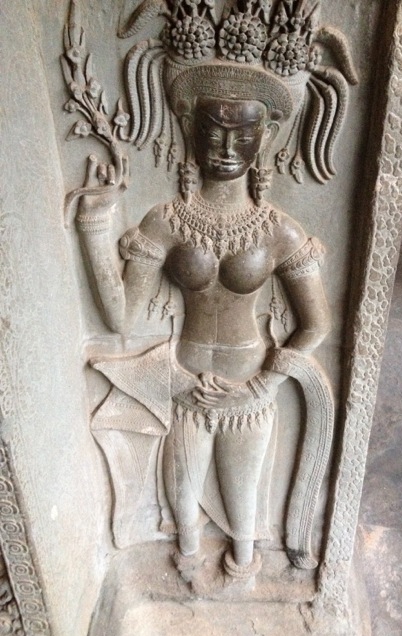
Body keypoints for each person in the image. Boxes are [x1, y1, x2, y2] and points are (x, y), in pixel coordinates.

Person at [76, 62, 330, 578]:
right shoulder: (166, 221)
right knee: (183, 503)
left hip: (248, 390)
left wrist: (260, 385)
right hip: (184, 385)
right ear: (190, 129)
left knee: (243, 504)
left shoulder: (279, 231)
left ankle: (242, 574)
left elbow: (316, 324)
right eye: (213, 133)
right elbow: (121, 316)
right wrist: (94, 221)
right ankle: (187, 569)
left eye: (244, 135)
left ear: (267, 135)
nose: (227, 148)